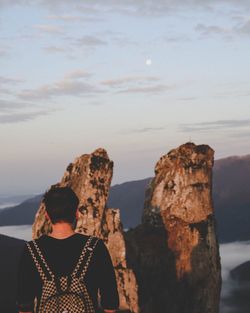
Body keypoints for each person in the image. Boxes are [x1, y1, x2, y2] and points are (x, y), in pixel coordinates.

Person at [17, 186, 119, 313]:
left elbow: (24, 306)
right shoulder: (95, 247)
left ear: (47, 215)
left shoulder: (31, 250)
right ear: (76, 213)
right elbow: (110, 304)